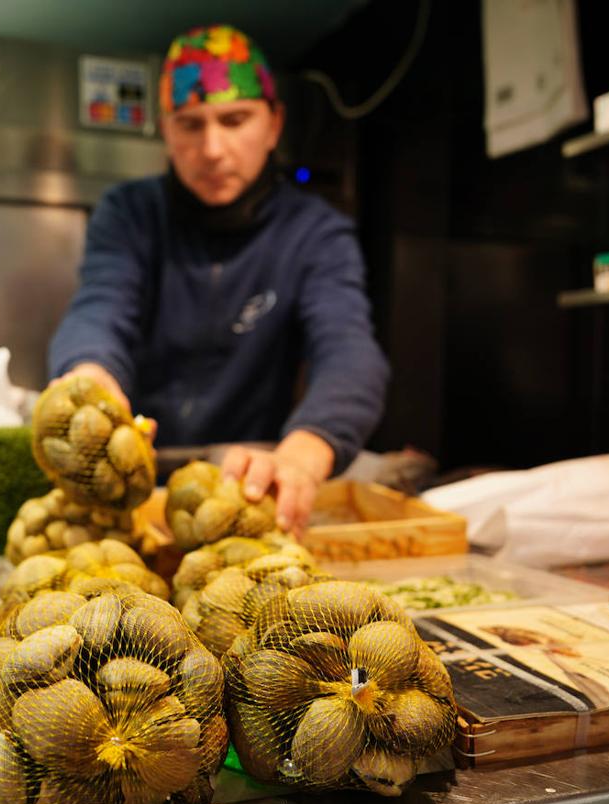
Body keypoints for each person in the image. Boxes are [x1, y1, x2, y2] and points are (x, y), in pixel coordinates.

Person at [49, 24, 388, 536]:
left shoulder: (316, 232)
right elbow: (99, 309)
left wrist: (308, 448)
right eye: (190, 124)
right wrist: (89, 378)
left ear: (273, 125)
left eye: (235, 120)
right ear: (166, 129)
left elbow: (349, 352)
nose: (212, 148)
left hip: (246, 486)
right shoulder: (129, 214)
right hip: (135, 487)